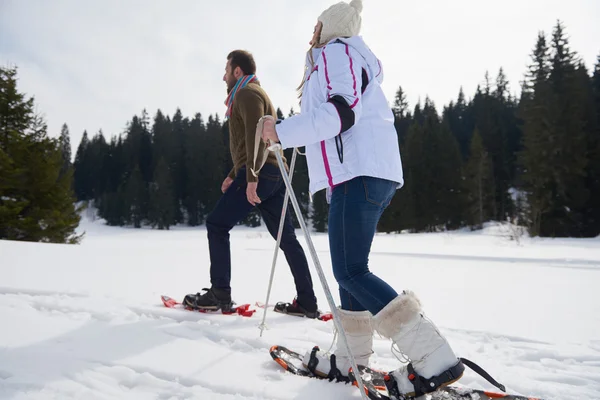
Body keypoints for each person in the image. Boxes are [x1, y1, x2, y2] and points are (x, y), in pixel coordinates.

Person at [259, 0, 464, 397]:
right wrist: (296, 133)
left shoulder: (338, 52)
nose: (311, 34)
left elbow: (341, 113)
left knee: (350, 270)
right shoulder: (335, 57)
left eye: (317, 26)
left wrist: (282, 131)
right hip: (357, 173)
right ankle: (350, 357)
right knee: (350, 270)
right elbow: (335, 117)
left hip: (361, 173)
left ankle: (435, 359)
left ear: (330, 27)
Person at [184, 50, 320, 319]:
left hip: (262, 171)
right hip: (272, 171)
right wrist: (235, 174)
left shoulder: (247, 94)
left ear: (237, 72)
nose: (223, 76)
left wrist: (251, 177)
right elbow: (251, 141)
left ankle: (220, 292)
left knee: (217, 224)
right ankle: (307, 302)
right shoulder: (254, 93)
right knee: (288, 239)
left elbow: (256, 135)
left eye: (227, 70)